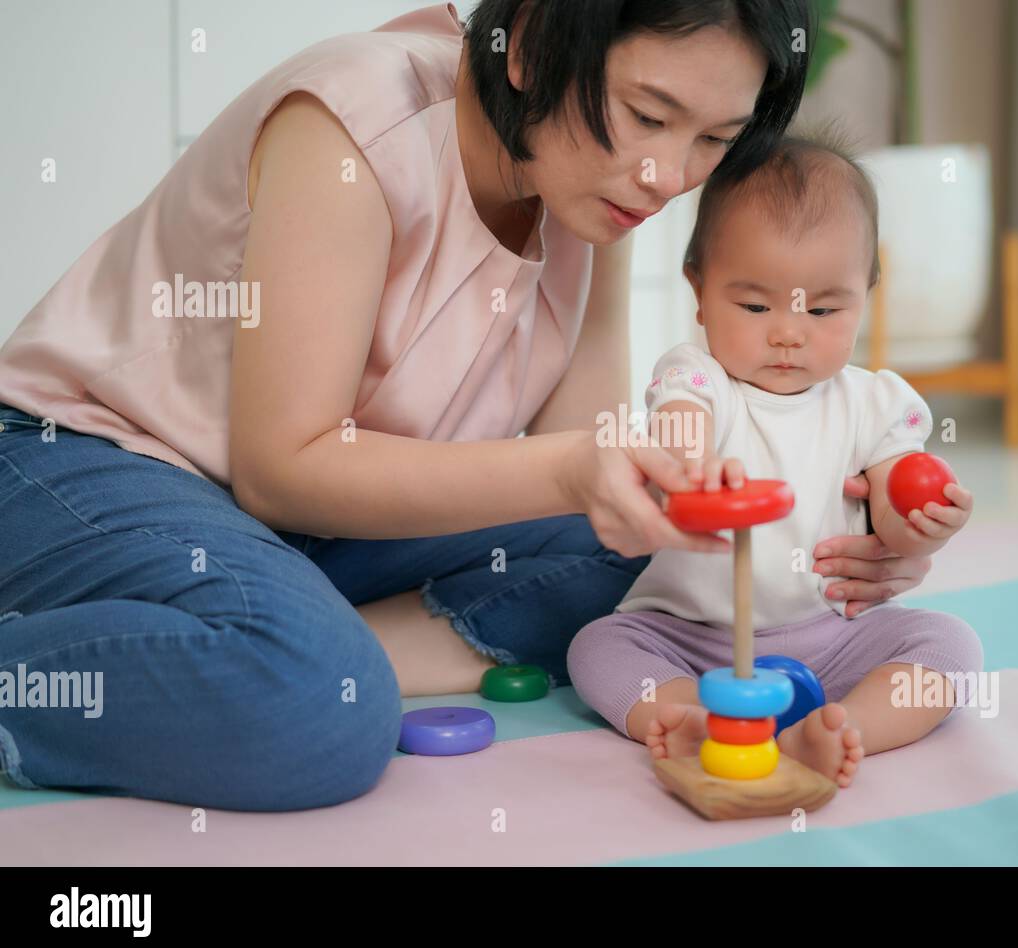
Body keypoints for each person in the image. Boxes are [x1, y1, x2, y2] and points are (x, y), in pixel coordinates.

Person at [0, 2, 933, 811]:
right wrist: (575, 470)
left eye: (713, 141)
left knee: (641, 560)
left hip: (296, 528)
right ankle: (297, 656)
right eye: (649, 114)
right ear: (528, 43)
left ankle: (276, 636)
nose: (667, 176)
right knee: (321, 707)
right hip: (85, 459)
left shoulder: (598, 191)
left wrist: (835, 526)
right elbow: (284, 469)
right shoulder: (355, 128)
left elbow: (589, 457)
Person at [568, 133, 982, 787]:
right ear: (698, 292)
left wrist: (926, 520)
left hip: (830, 636)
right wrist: (692, 462)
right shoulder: (701, 378)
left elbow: (894, 527)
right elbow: (681, 428)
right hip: (689, 635)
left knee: (952, 645)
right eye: (755, 305)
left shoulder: (874, 403)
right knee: (596, 647)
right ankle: (697, 715)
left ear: (865, 295)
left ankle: (842, 728)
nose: (789, 330)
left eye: (823, 307)